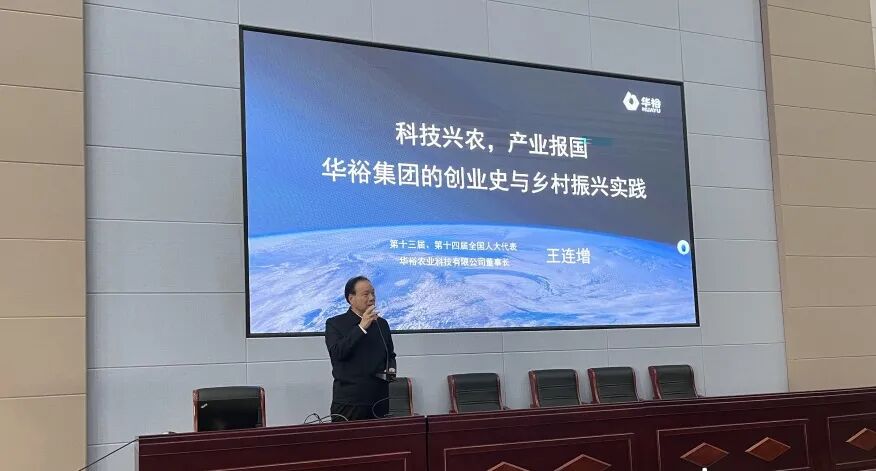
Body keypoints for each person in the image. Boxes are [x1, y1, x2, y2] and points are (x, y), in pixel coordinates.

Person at [325, 276, 397, 421]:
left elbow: (390, 354)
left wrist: (391, 369)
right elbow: (338, 353)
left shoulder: (382, 324)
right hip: (350, 403)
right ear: (351, 298)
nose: (371, 298)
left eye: (373, 293)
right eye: (366, 294)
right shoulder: (335, 323)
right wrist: (361, 327)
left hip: (379, 400)